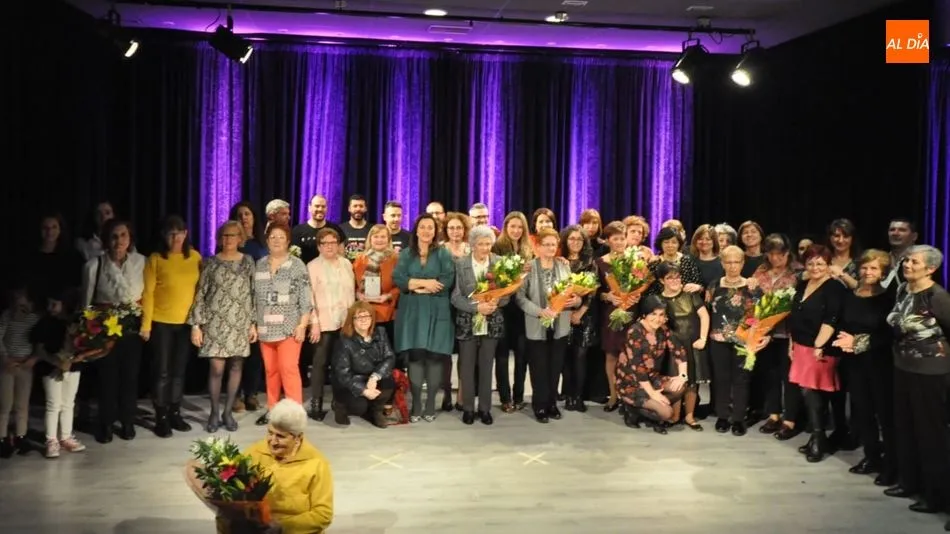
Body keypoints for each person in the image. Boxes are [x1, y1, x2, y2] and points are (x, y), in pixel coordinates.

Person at [883, 245, 950, 520]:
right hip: (902, 367)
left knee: (930, 433)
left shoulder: (937, 296)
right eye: (907, 260)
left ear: (930, 268)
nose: (907, 264)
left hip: (930, 372)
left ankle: (935, 494)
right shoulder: (903, 290)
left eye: (914, 261)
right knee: (905, 427)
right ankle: (909, 482)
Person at [216, 399, 334, 534]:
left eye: (280, 436)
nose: (272, 441)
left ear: (298, 438)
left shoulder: (316, 463)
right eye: (270, 433)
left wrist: (282, 527)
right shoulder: (253, 453)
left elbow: (323, 514)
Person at [616, 295, 688, 434]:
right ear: (644, 314)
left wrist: (682, 375)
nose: (658, 319)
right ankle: (632, 410)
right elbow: (639, 369)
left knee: (680, 386)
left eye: (661, 315)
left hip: (652, 379)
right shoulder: (635, 332)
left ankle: (652, 409)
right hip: (632, 383)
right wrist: (653, 395)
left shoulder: (663, 329)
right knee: (667, 413)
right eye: (653, 314)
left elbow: (679, 351)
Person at [331, 302, 395, 428]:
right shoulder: (344, 341)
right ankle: (340, 406)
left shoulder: (380, 333)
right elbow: (343, 374)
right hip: (352, 381)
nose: (364, 320)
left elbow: (389, 357)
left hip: (372, 377)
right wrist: (363, 391)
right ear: (352, 320)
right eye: (359, 317)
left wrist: (375, 376)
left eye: (367, 316)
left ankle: (376, 411)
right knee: (359, 407)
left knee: (389, 381)